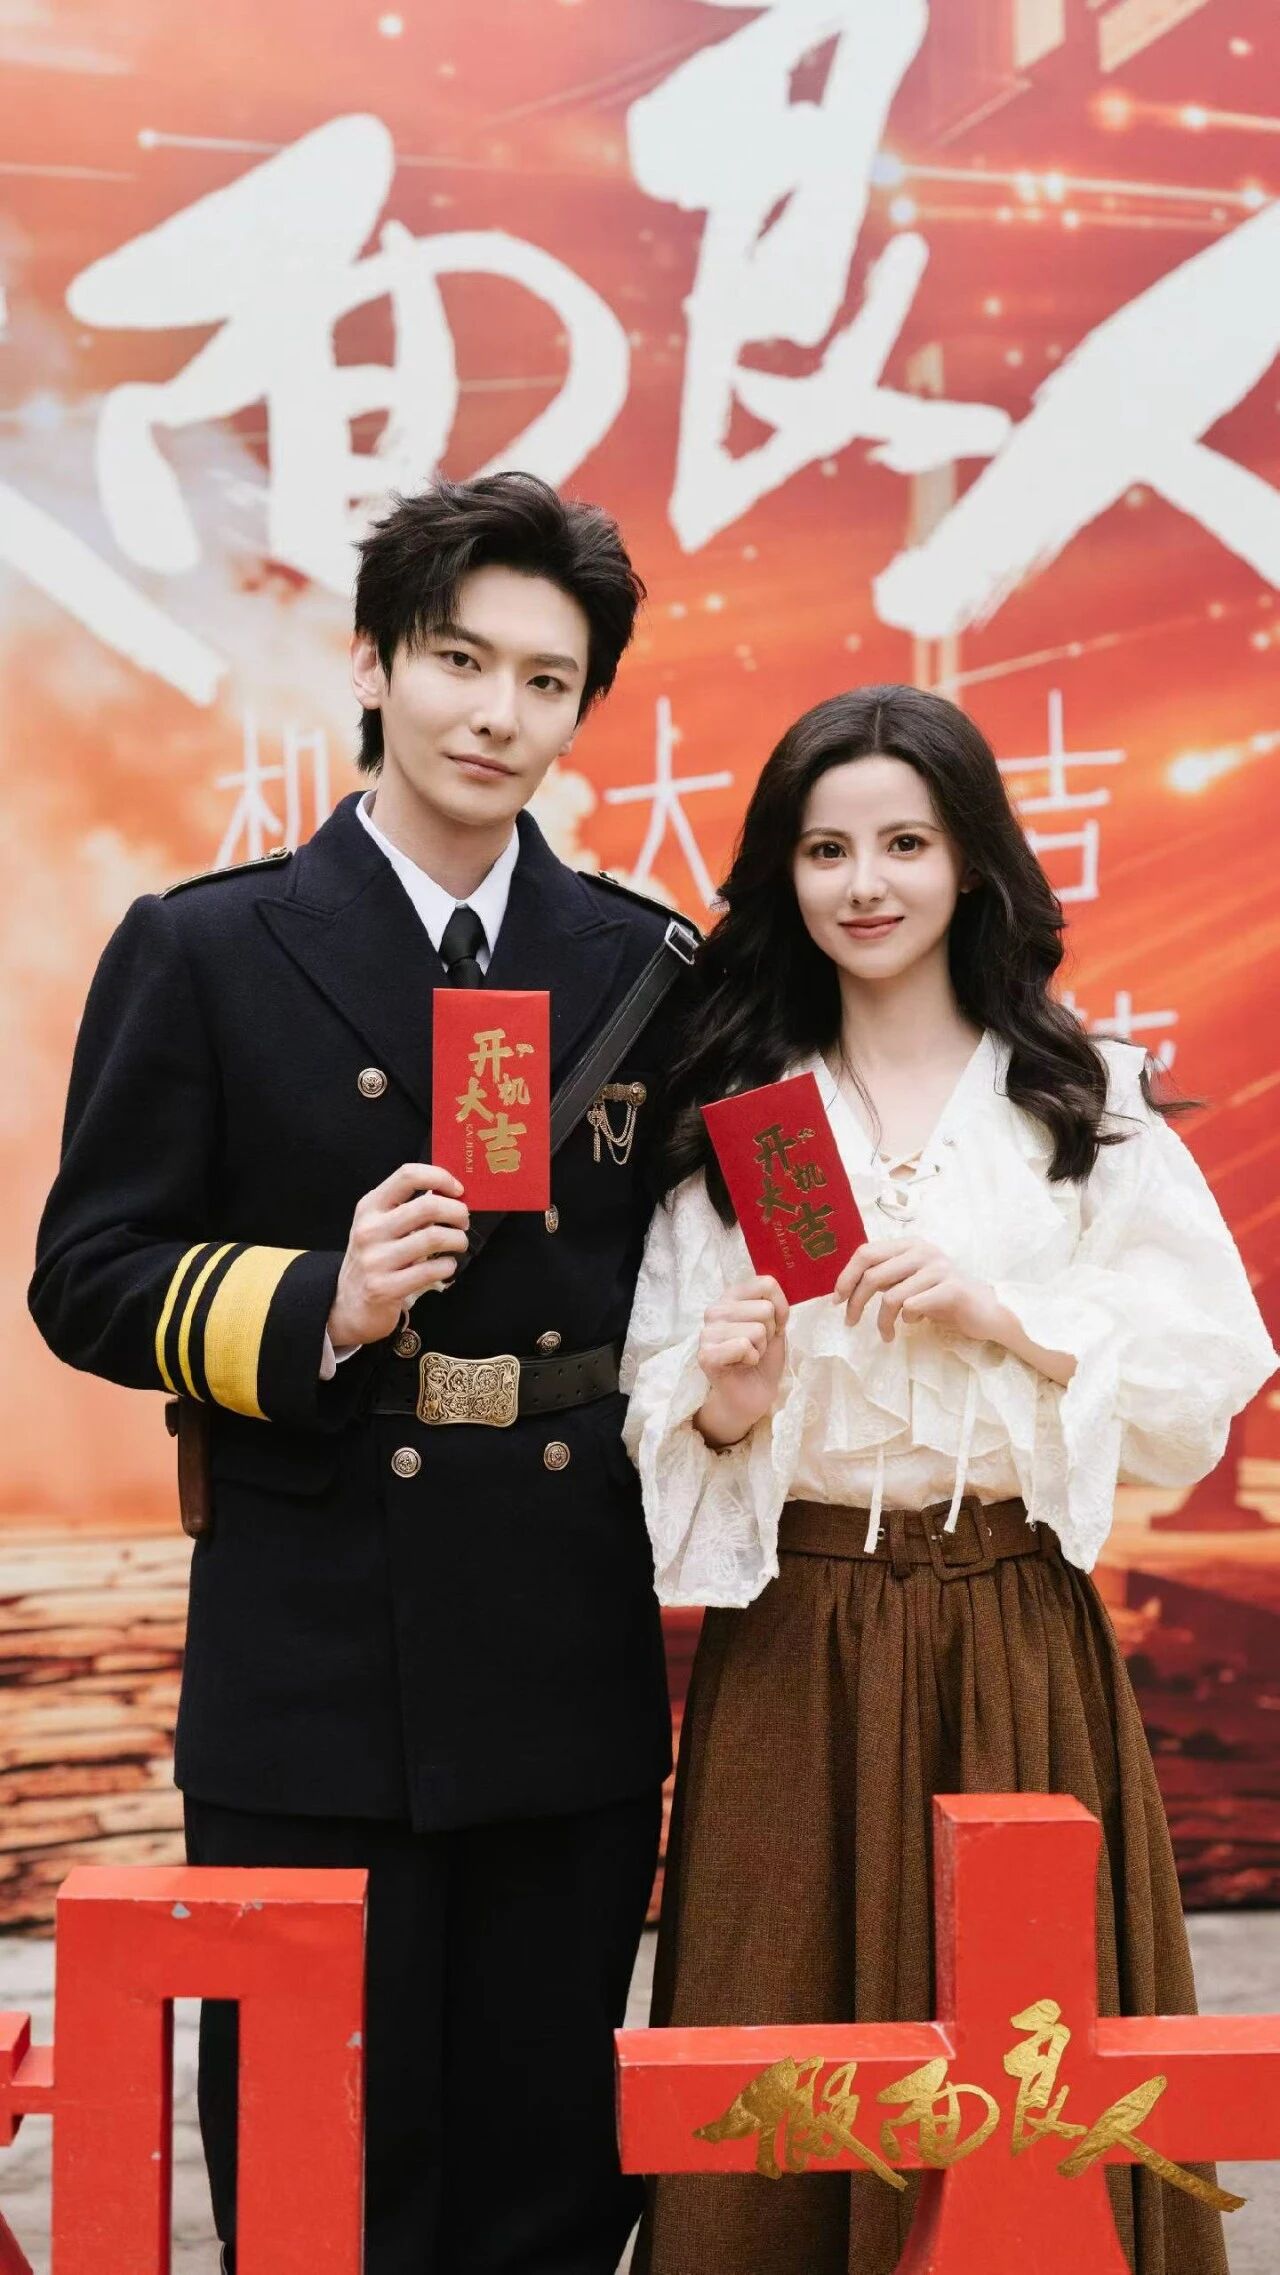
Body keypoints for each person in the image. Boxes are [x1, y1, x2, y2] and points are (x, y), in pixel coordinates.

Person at [30, 471, 698, 2275]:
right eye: (460, 661)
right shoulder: (206, 945)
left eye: (547, 682)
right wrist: (322, 1304)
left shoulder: (644, 965)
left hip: (561, 1649)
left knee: (550, 2177)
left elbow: (716, 1254)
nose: (498, 714)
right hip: (311, 1655)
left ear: (583, 710)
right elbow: (85, 1277)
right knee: (316, 2178)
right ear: (374, 664)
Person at [620, 683, 1275, 2275]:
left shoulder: (1079, 1096)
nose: (866, 884)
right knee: (790, 2051)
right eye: (825, 849)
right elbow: (655, 1400)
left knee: (1035, 2054)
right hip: (802, 1635)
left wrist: (1008, 1316)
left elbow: (1205, 1371)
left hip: (1016, 1630)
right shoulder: (744, 1115)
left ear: (972, 859)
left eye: (905, 843)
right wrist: (727, 1402)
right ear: (782, 873)